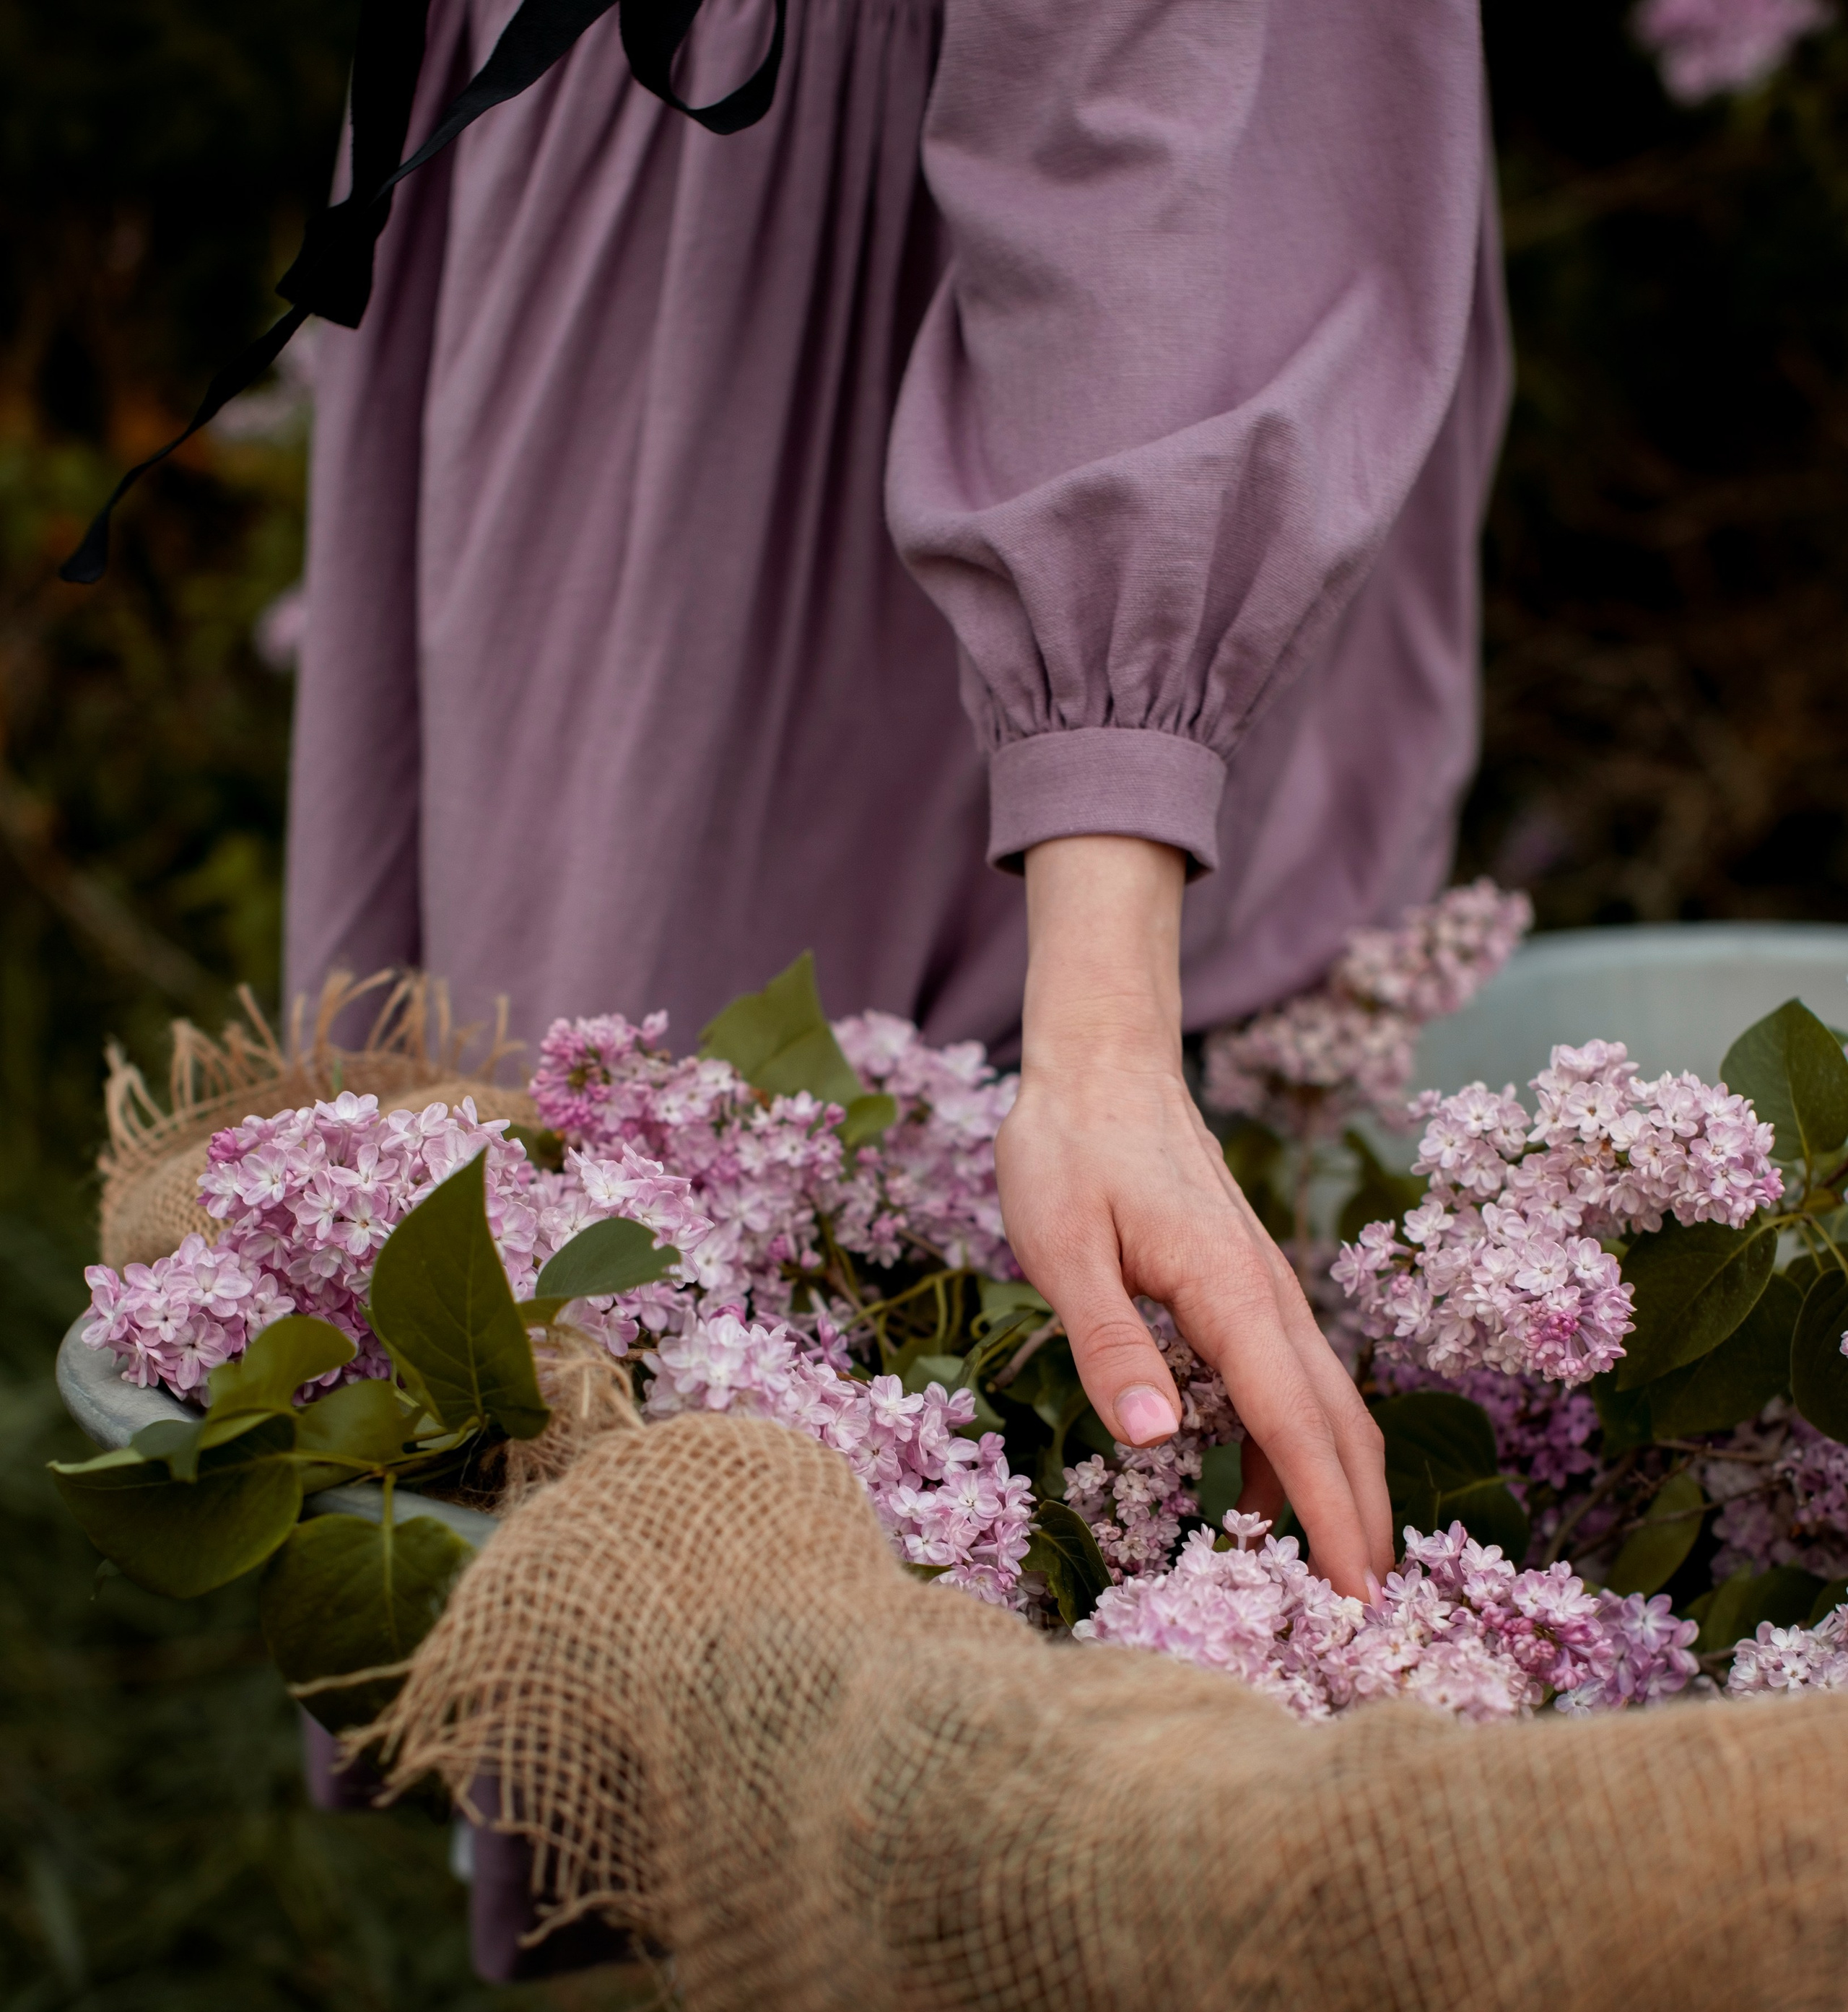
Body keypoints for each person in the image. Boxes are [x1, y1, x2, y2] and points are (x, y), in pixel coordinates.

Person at [283, 0, 1512, 1602]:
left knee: (940, 1371)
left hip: (996, 298)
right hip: (625, 203)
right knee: (577, 1231)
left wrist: (1103, 1039)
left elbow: (1116, 131)